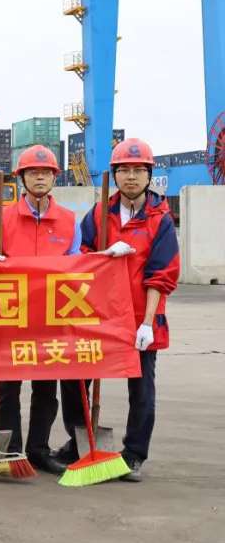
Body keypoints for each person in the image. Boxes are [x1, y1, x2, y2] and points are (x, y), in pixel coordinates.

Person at [71, 138, 179, 481]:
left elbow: (161, 275)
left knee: (141, 388)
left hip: (140, 317)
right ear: (115, 175)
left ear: (149, 175)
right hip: (101, 316)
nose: (131, 176)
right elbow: (81, 257)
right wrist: (101, 257)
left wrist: (146, 323)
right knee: (77, 380)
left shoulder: (161, 220)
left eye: (138, 170)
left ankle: (134, 454)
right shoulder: (99, 214)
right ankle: (78, 441)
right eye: (124, 170)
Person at [0, 145, 81, 475]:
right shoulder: (2, 217)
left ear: (54, 178)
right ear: (21, 178)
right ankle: (11, 450)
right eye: (33, 172)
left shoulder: (68, 220)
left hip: (50, 318)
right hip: (11, 316)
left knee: (46, 389)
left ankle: (38, 450)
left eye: (46, 172)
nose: (40, 177)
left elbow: (78, 266)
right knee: (8, 388)